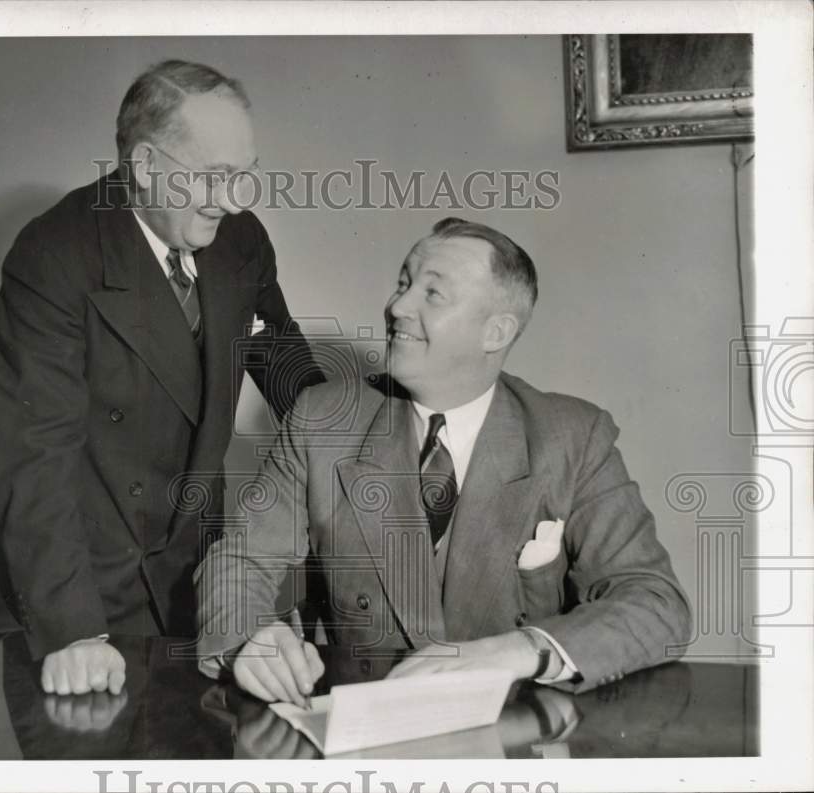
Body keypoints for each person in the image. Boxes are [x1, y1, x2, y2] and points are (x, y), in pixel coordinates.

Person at [194, 217, 692, 705]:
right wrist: (247, 637)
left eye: (432, 294)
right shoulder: (322, 419)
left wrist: (519, 651)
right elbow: (241, 559)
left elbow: (654, 601)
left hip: (514, 738)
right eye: (403, 284)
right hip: (365, 733)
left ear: (495, 332)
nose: (396, 306)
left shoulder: (573, 437)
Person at [0, 60, 322, 697]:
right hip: (93, 584)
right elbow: (32, 459)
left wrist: (373, 443)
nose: (233, 199)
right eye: (215, 177)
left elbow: (293, 382)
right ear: (145, 165)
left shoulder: (241, 241)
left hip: (204, 572)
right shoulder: (54, 255)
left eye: (244, 175)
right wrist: (73, 631)